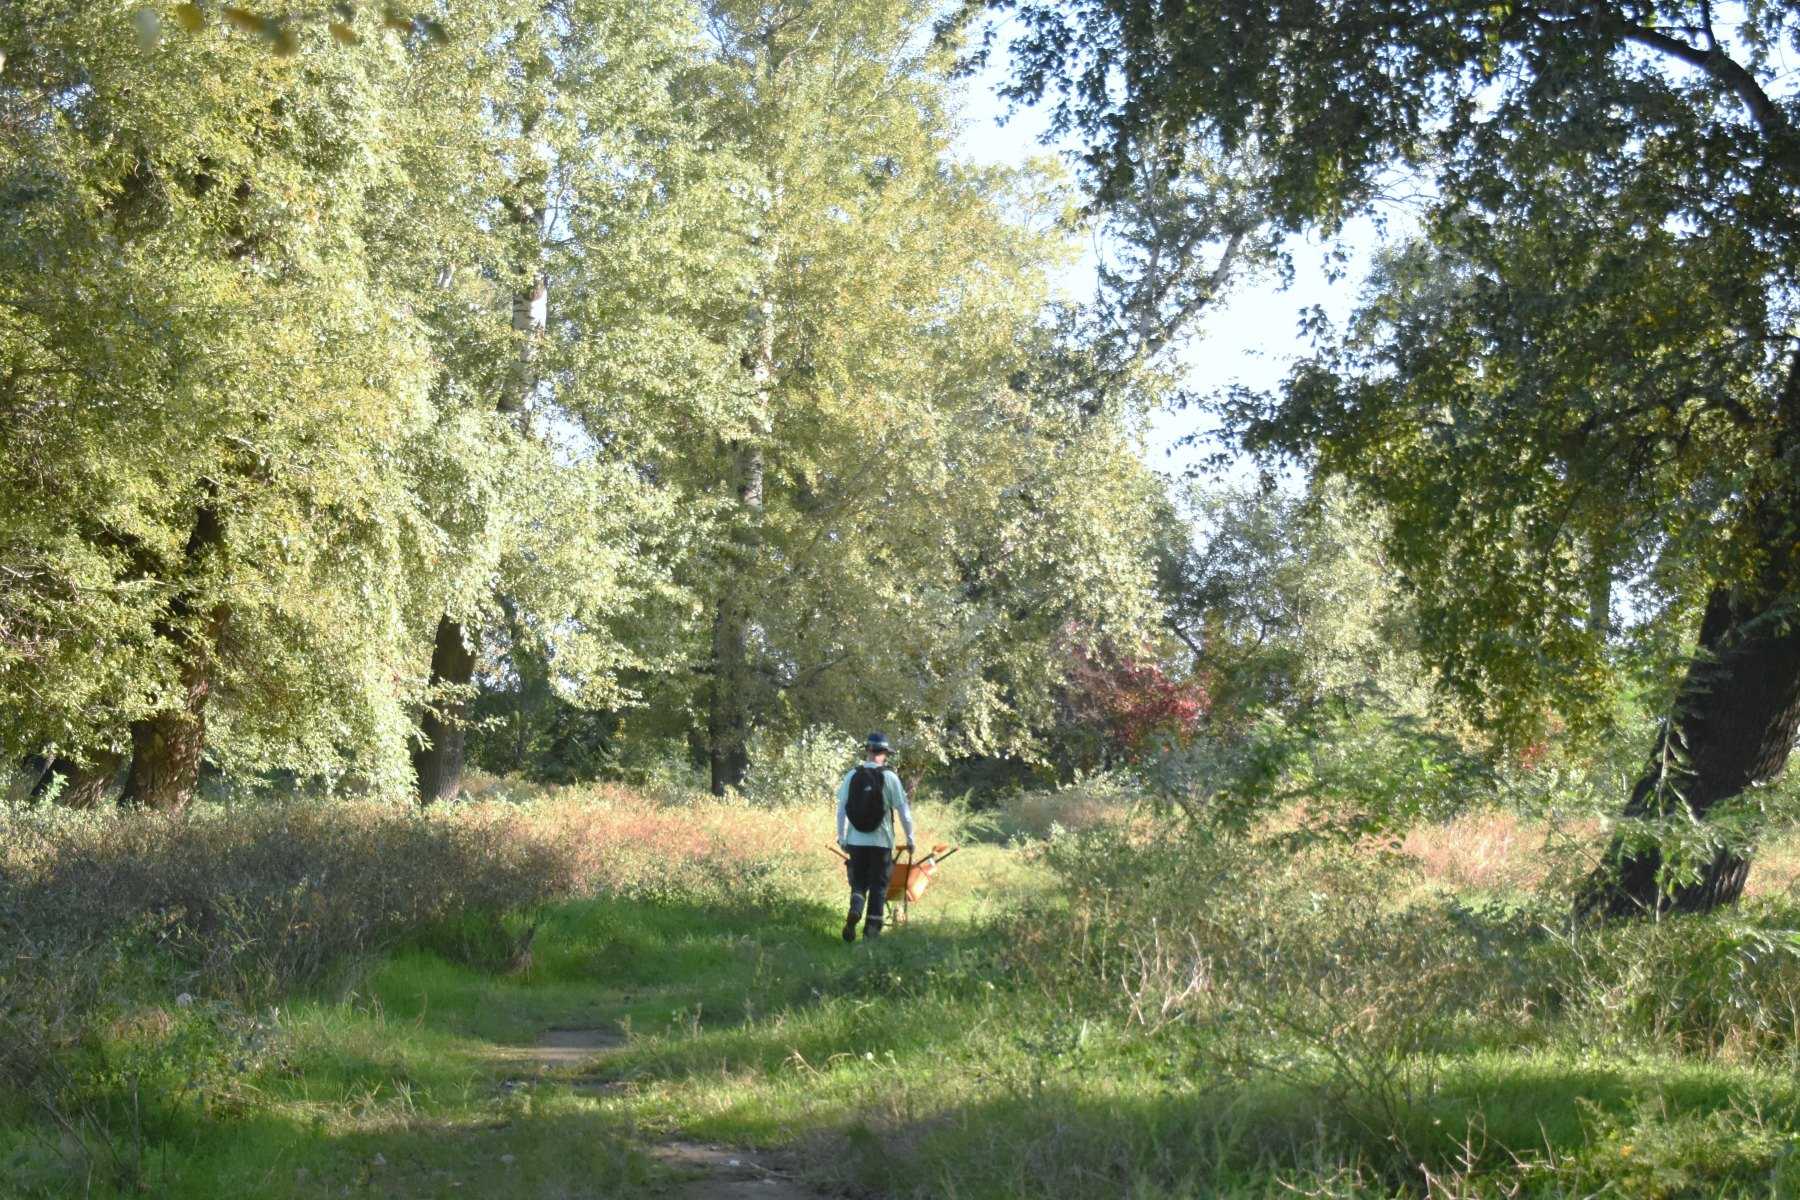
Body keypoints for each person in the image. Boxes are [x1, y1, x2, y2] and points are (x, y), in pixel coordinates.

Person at [835, 731, 913, 941]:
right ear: (885, 753)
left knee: (859, 882)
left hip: (855, 841)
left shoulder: (852, 775)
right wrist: (910, 838)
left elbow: (841, 809)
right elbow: (904, 813)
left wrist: (841, 837)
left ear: (867, 751)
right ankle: (870, 934)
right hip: (881, 842)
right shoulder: (890, 777)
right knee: (879, 887)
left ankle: (856, 909)